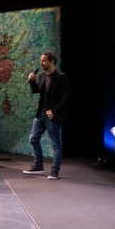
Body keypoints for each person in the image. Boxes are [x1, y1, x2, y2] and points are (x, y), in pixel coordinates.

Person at [24, 50, 71, 178]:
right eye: (41, 60)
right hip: (40, 115)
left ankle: (55, 171)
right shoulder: (43, 76)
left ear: (51, 62)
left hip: (52, 116)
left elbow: (66, 97)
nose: (41, 63)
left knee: (55, 143)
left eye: (44, 60)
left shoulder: (61, 77)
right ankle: (38, 165)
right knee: (33, 138)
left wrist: (54, 111)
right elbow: (36, 91)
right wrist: (32, 81)